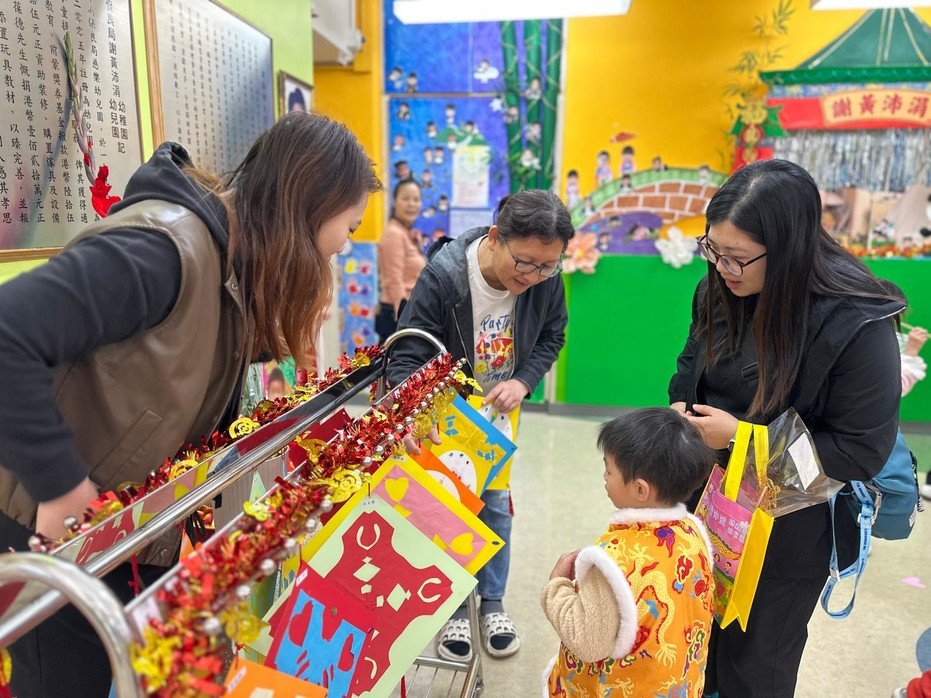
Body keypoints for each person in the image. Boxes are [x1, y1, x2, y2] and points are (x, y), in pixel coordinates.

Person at [0, 112, 380, 697]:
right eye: (347, 227)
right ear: (307, 208)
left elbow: (182, 359)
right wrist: (60, 484)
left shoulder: (229, 260)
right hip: (49, 529)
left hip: (120, 534)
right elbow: (8, 333)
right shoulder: (161, 248)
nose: (344, 246)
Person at [668, 159, 905, 697]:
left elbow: (858, 450)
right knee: (693, 644)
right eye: (713, 250)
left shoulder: (856, 319)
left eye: (737, 257)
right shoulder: (720, 287)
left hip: (787, 526)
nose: (723, 268)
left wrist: (741, 439)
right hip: (706, 505)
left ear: (790, 248)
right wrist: (682, 407)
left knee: (756, 665)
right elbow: (690, 364)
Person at [387, 189, 574, 661]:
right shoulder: (445, 277)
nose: (532, 276)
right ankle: (451, 605)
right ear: (494, 237)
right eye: (524, 262)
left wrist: (523, 381)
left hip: (500, 414)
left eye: (547, 266)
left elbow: (553, 335)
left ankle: (492, 601)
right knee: (447, 505)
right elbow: (406, 353)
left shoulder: (546, 279)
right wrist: (417, 409)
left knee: (494, 508)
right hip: (446, 412)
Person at [542, 408, 715, 697]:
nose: (604, 476)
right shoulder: (693, 533)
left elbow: (587, 641)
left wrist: (557, 587)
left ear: (640, 489)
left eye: (609, 470)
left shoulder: (611, 562)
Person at [376, 179, 426, 342]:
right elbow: (394, 281)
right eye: (406, 198)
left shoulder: (407, 234)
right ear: (395, 201)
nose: (411, 204)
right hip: (397, 314)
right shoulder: (394, 234)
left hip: (406, 312)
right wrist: (406, 322)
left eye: (416, 199)